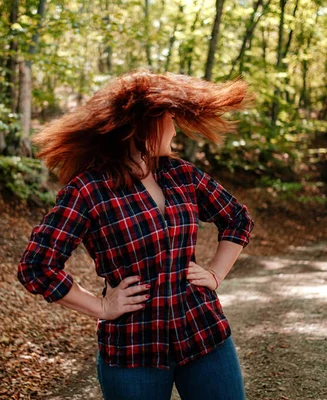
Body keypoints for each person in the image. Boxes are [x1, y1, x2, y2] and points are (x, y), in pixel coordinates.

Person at [17, 69, 256, 400]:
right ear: (144, 125)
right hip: (133, 352)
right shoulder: (88, 190)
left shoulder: (181, 174)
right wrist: (101, 306)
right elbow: (36, 266)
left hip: (203, 332)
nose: (175, 126)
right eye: (170, 117)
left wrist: (215, 273)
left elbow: (237, 219)